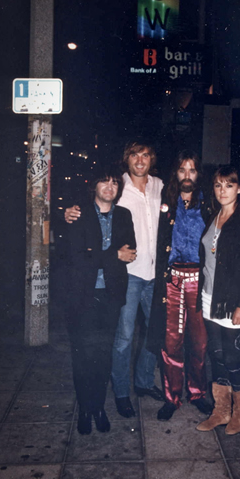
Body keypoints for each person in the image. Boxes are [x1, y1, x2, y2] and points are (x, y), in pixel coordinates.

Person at [149, 151, 240, 421]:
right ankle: (171, 398)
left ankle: (197, 393)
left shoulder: (209, 204)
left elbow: (232, 211)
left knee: (200, 344)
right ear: (175, 173)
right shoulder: (165, 201)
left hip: (201, 283)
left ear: (199, 174)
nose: (187, 175)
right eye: (182, 170)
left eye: (192, 170)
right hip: (172, 282)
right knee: (171, 342)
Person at [65, 140, 165, 419]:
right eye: (135, 155)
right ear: (127, 159)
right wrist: (68, 211)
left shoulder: (160, 186)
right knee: (123, 338)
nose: (141, 160)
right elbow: (87, 201)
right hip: (128, 275)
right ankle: (121, 393)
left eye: (146, 154)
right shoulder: (116, 184)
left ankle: (144, 383)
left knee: (153, 333)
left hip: (155, 273)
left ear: (151, 159)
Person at [65, 165, 136, 434]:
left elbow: (129, 252)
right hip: (82, 296)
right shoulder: (78, 215)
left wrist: (102, 255)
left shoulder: (123, 215)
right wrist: (111, 256)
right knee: (83, 354)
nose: (110, 187)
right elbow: (77, 259)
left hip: (110, 295)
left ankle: (98, 407)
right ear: (94, 186)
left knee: (103, 355)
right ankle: (85, 408)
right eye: (104, 182)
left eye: (115, 183)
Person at [196, 165, 240, 435]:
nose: (223, 191)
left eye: (229, 185)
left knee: (233, 357)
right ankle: (220, 411)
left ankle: (239, 413)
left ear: (239, 189)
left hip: (233, 301)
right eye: (218, 185)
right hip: (209, 297)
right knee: (217, 355)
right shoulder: (213, 215)